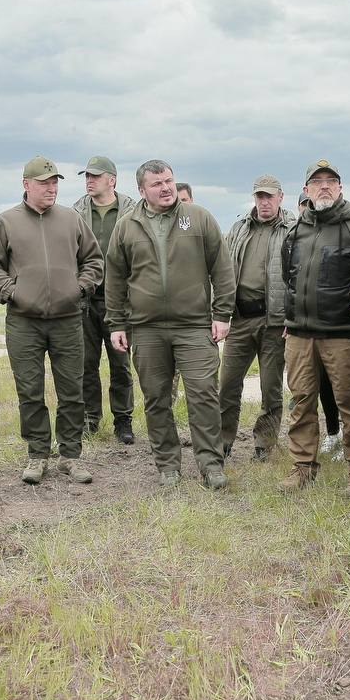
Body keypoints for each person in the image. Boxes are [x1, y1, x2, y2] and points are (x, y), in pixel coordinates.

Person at [105, 160, 235, 489]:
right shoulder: (127, 226)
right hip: (146, 329)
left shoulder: (200, 218)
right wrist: (117, 323)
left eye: (169, 181)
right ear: (141, 191)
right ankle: (167, 465)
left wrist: (221, 313)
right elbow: (115, 279)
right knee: (155, 397)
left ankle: (211, 465)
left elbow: (222, 267)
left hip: (194, 325)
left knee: (203, 394)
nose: (165, 188)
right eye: (157, 184)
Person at [0, 156, 104, 486]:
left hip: (68, 320)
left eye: (55, 183)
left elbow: (93, 260)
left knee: (72, 390)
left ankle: (70, 456)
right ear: (26, 185)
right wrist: (11, 291)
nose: (51, 189)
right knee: (30, 391)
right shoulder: (6, 222)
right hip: (24, 322)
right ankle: (38, 455)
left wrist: (79, 288)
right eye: (44, 183)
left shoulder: (71, 219)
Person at [281, 160, 350, 494]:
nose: (324, 186)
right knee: (301, 401)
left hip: (343, 334)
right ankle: (303, 467)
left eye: (331, 181)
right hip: (299, 334)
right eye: (316, 181)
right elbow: (288, 278)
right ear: (306, 189)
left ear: (340, 187)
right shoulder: (296, 231)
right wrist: (291, 319)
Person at [218, 175, 296, 461]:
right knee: (227, 384)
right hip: (240, 318)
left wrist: (292, 316)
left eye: (270, 196)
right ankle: (223, 442)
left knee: (270, 387)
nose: (264, 202)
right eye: (260, 196)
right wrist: (221, 312)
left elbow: (297, 275)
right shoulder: (239, 227)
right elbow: (225, 271)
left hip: (274, 320)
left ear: (280, 198)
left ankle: (265, 444)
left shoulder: (293, 229)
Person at [73, 155, 136, 444]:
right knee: (86, 363)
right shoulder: (75, 212)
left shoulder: (133, 211)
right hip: (85, 301)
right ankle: (90, 418)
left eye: (95, 176)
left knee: (120, 364)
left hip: (120, 303)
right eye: (86, 176)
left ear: (111, 180)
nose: (89, 180)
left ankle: (123, 420)